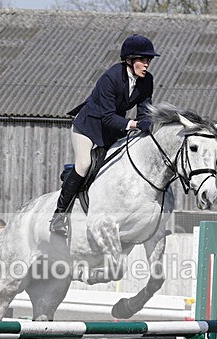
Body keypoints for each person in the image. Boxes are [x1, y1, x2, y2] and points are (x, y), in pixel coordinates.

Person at [49, 34, 160, 237]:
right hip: (88, 126)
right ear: (129, 60)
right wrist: (135, 124)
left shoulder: (147, 81)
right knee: (84, 164)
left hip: (112, 129)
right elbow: (108, 117)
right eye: (142, 59)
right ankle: (59, 216)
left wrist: (146, 124)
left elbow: (144, 110)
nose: (146, 64)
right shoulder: (111, 78)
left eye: (148, 60)